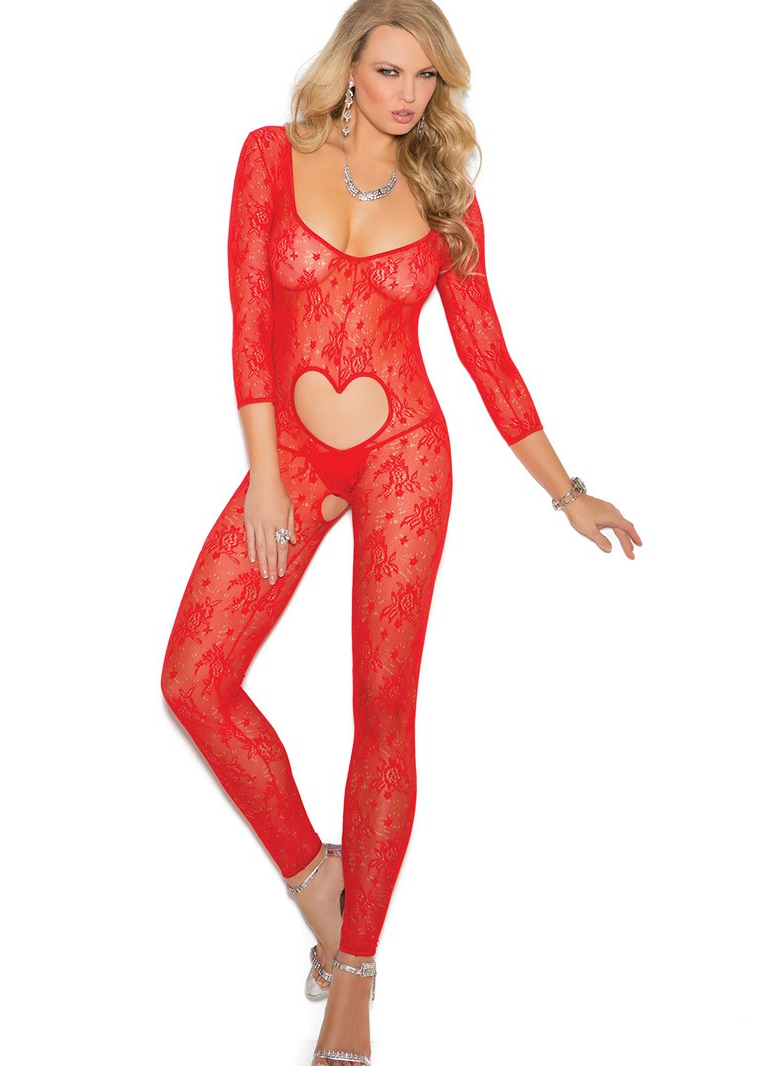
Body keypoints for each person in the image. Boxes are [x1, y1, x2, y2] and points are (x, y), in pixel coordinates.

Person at [160, 1, 642, 1062]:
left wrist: (566, 491)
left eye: (426, 77)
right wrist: (266, 479)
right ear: (348, 67)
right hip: (292, 456)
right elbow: (248, 325)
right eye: (389, 71)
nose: (408, 94)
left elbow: (485, 354)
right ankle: (318, 882)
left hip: (404, 460)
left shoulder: (444, 192)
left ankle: (356, 976)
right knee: (194, 678)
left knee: (383, 712)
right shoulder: (269, 156)